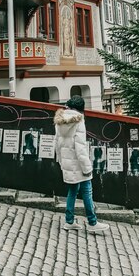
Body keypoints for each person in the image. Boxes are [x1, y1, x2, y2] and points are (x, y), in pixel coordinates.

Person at [54, 95, 109, 234]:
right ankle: (92, 222)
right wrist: (87, 167)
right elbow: (80, 147)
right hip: (78, 165)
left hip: (67, 163)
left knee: (72, 191)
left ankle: (69, 221)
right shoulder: (79, 121)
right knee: (87, 191)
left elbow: (57, 144)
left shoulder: (59, 121)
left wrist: (61, 162)